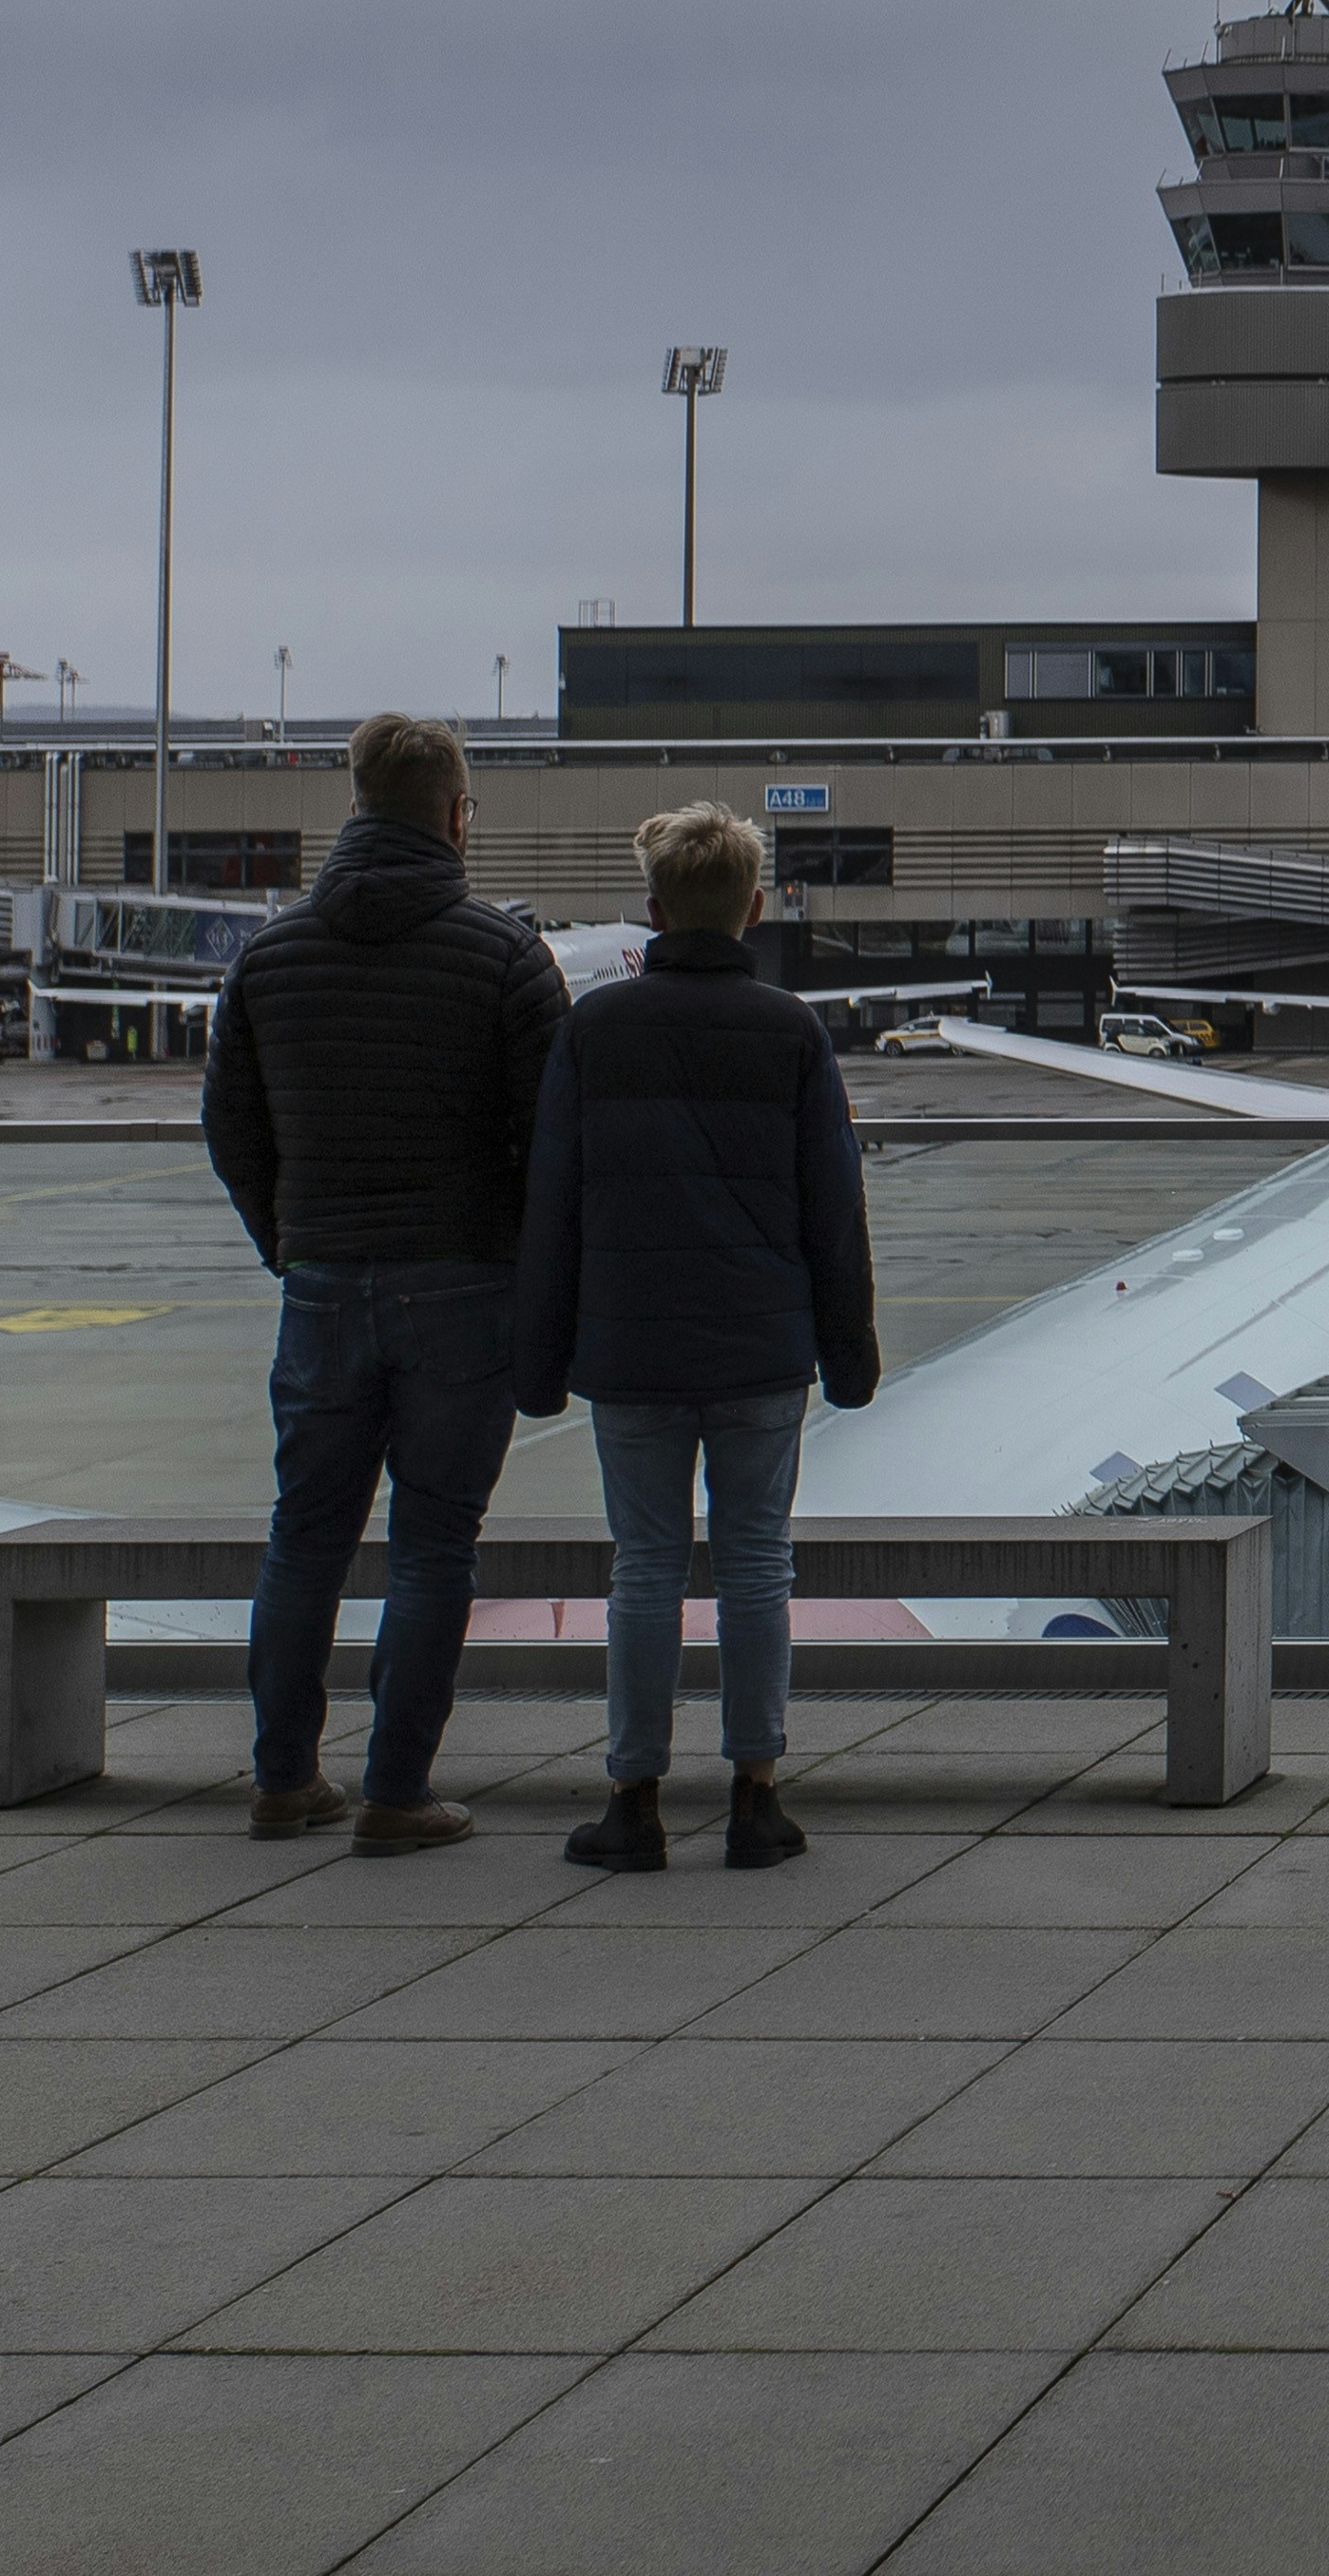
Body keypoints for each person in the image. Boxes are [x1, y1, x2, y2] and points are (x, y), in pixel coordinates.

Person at [205, 709, 569, 1851]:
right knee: (433, 1545)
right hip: (462, 1286)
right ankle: (398, 1789)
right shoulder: (505, 954)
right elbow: (555, 1132)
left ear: (354, 804)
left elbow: (231, 1126)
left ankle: (281, 1776)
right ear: (458, 814)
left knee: (303, 1535)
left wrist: (290, 1236)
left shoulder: (268, 954)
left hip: (321, 1282)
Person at [512, 799, 876, 1874]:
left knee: (645, 1569)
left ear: (655, 906)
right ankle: (756, 1796)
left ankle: (633, 1800)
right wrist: (848, 1354)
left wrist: (539, 1363)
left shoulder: (593, 1030)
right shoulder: (793, 1029)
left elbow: (555, 1207)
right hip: (763, 1348)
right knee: (759, 1565)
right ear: (753, 907)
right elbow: (834, 1209)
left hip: (631, 1353)